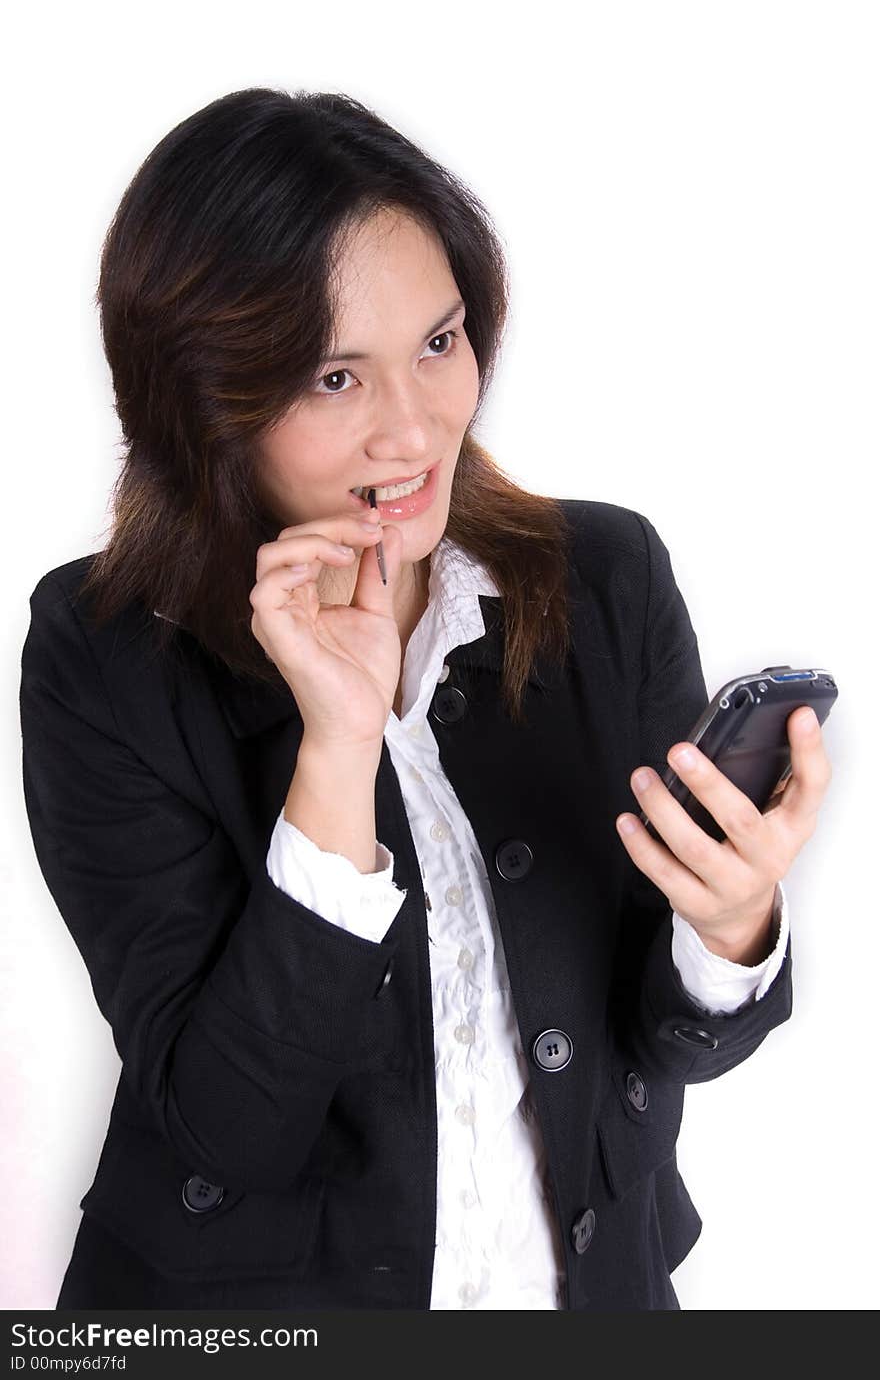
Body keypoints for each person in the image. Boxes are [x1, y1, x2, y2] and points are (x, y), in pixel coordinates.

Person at [19, 87, 831, 1311]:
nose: (415, 428)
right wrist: (339, 745)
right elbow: (230, 1127)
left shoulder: (601, 579)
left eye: (438, 344)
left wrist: (730, 923)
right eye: (335, 375)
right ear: (205, 398)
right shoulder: (106, 653)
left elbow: (663, 1038)